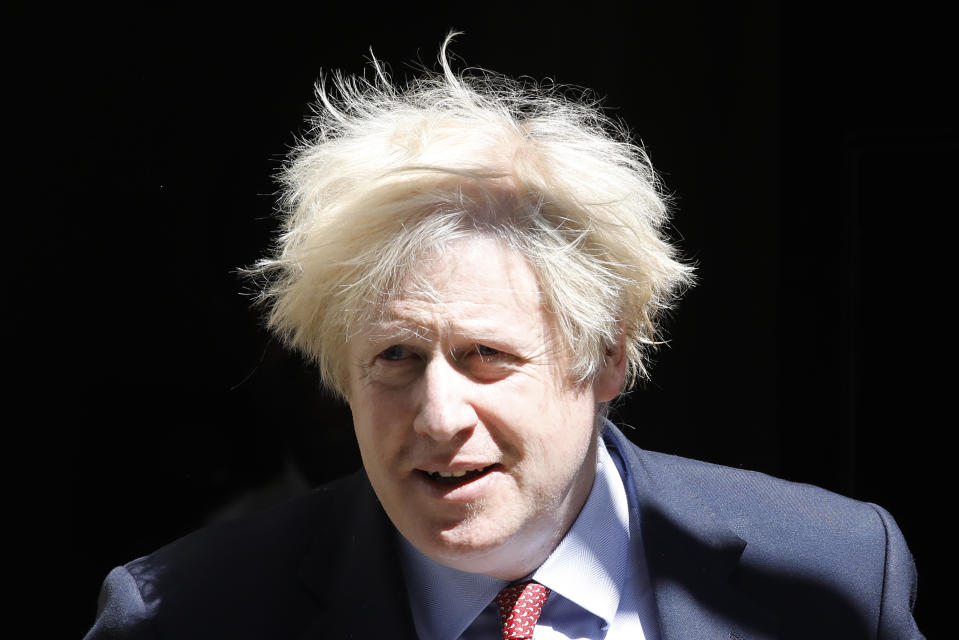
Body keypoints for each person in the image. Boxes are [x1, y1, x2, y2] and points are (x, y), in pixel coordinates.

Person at [84, 35, 923, 639]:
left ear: (607, 356)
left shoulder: (837, 572)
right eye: (395, 358)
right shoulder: (186, 614)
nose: (438, 415)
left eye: (486, 355)